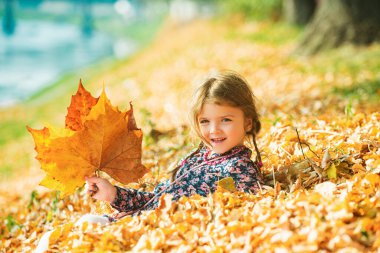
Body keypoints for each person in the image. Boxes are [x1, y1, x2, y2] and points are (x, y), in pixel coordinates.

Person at [35, 71, 263, 252]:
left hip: (142, 235)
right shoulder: (197, 158)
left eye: (225, 120)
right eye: (205, 121)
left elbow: (194, 219)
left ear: (248, 123)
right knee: (51, 238)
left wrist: (125, 228)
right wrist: (113, 194)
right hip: (129, 222)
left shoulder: (238, 170)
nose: (214, 130)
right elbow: (157, 201)